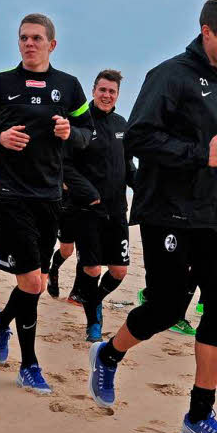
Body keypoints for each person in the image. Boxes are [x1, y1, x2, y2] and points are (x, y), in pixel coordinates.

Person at [87, 0, 217, 433]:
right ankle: (109, 352)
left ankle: (199, 415)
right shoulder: (168, 75)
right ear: (207, 31)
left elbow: (216, 141)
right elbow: (138, 137)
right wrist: (200, 155)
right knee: (166, 309)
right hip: (169, 213)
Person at [0, 13, 92, 395]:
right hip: (10, 194)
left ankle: (2, 321)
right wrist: (0, 138)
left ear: (52, 45)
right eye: (24, 38)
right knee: (33, 281)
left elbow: (89, 135)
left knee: (34, 282)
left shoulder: (68, 86)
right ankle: (30, 364)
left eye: (37, 38)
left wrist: (71, 132)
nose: (29, 43)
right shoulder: (0, 83)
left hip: (50, 195)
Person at [63, 70, 135, 342]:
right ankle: (93, 323)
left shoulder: (121, 124)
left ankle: (92, 298)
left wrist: (144, 188)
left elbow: (128, 167)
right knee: (92, 269)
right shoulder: (80, 123)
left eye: (112, 91)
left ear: (117, 94)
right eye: (102, 90)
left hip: (117, 210)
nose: (107, 95)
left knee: (119, 271)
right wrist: (89, 193)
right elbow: (64, 165)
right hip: (87, 209)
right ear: (94, 91)